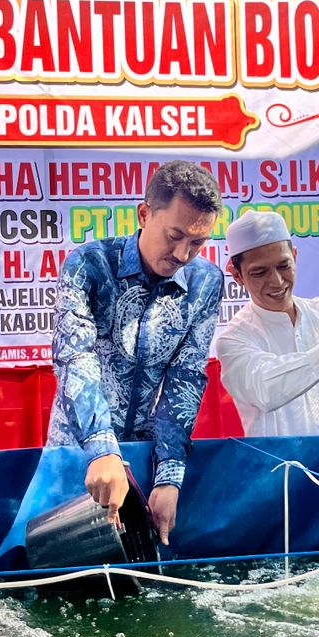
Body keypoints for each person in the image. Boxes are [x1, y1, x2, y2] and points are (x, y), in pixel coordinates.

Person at [48, 159, 225, 544]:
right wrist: (99, 448)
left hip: (148, 455)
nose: (182, 253)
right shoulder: (89, 265)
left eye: (197, 242)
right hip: (78, 452)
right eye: (174, 235)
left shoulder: (205, 282)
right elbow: (74, 358)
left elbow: (186, 377)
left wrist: (169, 476)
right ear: (144, 214)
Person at [213, 209, 319, 437]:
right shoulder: (234, 339)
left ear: (295, 256)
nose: (276, 281)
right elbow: (266, 389)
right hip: (281, 471)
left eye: (283, 266)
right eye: (259, 272)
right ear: (237, 276)